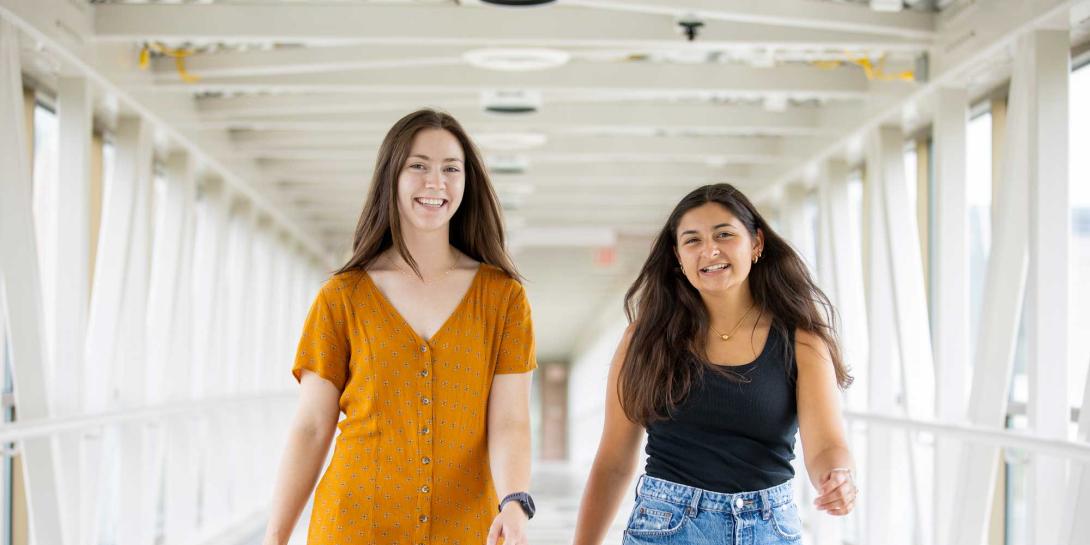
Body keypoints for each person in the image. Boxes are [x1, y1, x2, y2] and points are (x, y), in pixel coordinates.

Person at [262, 109, 537, 545]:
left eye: (451, 169)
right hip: (354, 524)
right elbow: (313, 425)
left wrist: (514, 503)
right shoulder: (342, 296)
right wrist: (274, 537)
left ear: (468, 183)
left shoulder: (503, 298)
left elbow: (509, 421)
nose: (436, 182)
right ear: (392, 177)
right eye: (418, 166)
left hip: (467, 528)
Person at [571, 183, 856, 545]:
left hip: (770, 530)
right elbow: (612, 462)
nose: (710, 250)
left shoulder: (801, 339)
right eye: (692, 240)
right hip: (668, 527)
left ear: (756, 243)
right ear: (677, 256)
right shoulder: (643, 340)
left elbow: (827, 443)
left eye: (724, 234)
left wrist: (837, 475)